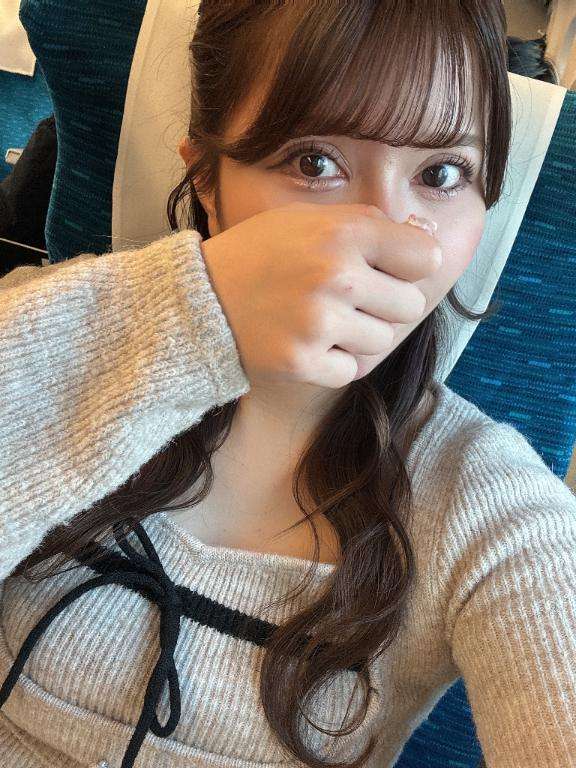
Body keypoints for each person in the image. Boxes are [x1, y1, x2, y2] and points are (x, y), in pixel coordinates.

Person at [0, 2, 575, 768]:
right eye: (313, 163)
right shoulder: (50, 329)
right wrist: (191, 309)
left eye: (441, 174)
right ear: (205, 177)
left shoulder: (487, 499)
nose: (383, 234)